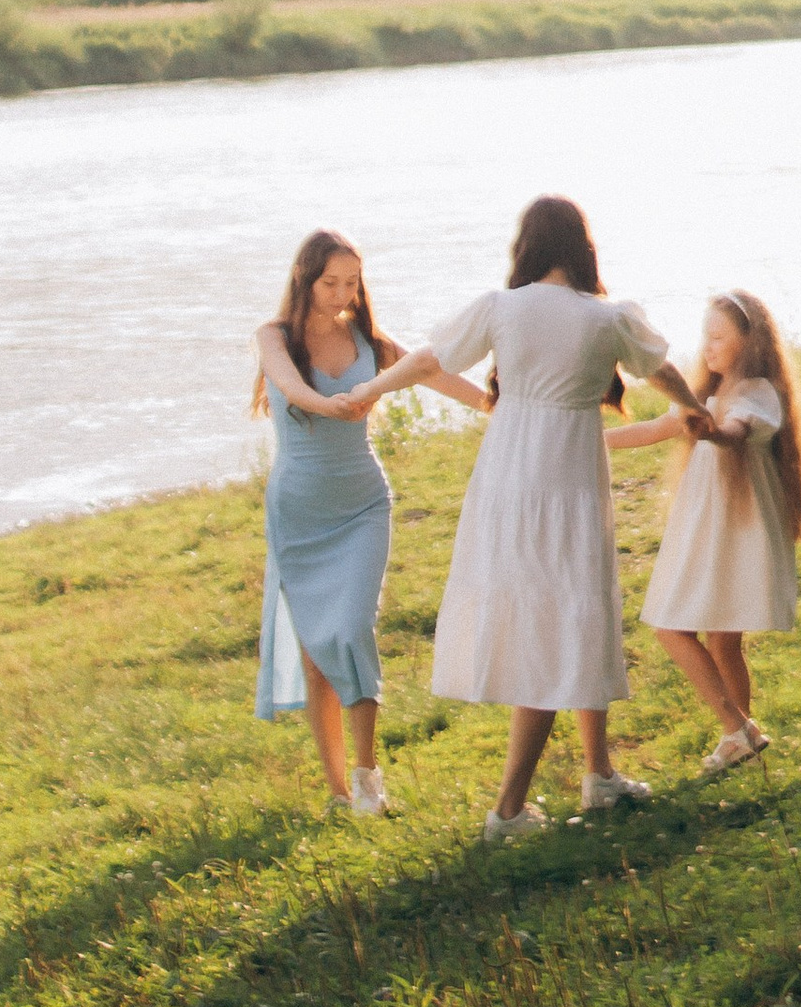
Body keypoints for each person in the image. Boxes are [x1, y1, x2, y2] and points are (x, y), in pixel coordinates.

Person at [351, 194, 705, 842]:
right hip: (567, 481)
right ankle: (507, 811)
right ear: (583, 247)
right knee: (562, 616)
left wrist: (371, 390)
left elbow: (430, 360)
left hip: (509, 481)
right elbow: (664, 371)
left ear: (528, 248)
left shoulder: (502, 308)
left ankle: (599, 774)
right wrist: (697, 410)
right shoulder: (608, 318)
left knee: (573, 613)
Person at [251, 228, 487, 815]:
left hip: (361, 506)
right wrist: (325, 402)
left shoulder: (370, 341)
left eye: (351, 283)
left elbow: (436, 373)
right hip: (300, 512)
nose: (341, 293)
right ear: (305, 279)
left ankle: (367, 778)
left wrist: (500, 404)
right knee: (315, 651)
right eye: (331, 282)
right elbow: (285, 382)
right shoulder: (273, 336)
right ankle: (337, 791)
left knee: (352, 629)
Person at [610, 286, 801, 774]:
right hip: (710, 527)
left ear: (750, 340)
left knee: (671, 626)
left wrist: (713, 434)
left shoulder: (758, 394)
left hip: (735, 529)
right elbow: (651, 431)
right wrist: (583, 440)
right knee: (722, 640)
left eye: (719, 337)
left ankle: (735, 728)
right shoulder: (706, 395)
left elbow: (737, 435)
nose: (707, 347)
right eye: (705, 336)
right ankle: (742, 734)